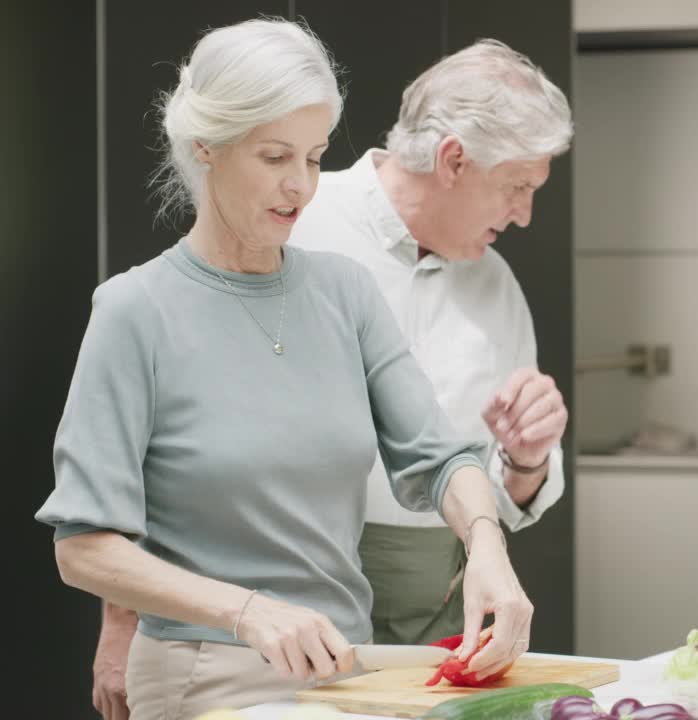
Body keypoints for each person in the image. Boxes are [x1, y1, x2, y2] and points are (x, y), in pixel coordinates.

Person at [35, 18, 532, 720]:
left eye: (314, 155)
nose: (302, 185)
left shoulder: (344, 293)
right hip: (206, 674)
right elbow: (84, 549)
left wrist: (486, 542)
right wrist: (248, 613)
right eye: (274, 157)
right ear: (206, 147)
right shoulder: (134, 311)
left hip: (344, 675)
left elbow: (441, 457)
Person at [288, 38, 573, 646]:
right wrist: (124, 621)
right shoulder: (298, 226)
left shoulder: (497, 287)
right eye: (517, 186)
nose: (525, 215)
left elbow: (504, 493)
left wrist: (527, 458)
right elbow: (177, 439)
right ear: (453, 161)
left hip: (439, 617)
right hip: (293, 606)